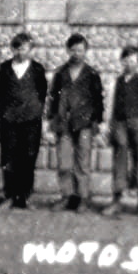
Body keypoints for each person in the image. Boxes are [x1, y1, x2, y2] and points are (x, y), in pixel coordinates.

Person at [47, 33, 105, 212]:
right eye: (73, 50)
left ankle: (83, 198)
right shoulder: (60, 73)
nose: (76, 53)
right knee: (64, 163)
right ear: (67, 51)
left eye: (80, 50)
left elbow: (98, 100)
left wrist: (99, 122)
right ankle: (66, 196)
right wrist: (50, 121)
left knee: (83, 163)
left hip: (85, 124)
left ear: (85, 51)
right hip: (64, 123)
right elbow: (53, 99)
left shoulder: (92, 74)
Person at [0, 31, 49, 210]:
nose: (21, 52)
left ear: (31, 49)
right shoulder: (4, 68)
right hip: (9, 120)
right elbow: (0, 91)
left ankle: (25, 197)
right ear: (12, 49)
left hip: (31, 120)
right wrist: (5, 112)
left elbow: (42, 92)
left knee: (28, 157)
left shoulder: (37, 69)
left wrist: (34, 110)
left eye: (25, 49)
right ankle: (10, 196)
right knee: (9, 157)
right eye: (17, 49)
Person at [105, 45, 138, 216]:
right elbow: (110, 105)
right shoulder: (116, 81)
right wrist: (108, 125)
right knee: (119, 158)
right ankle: (117, 200)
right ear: (122, 61)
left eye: (133, 60)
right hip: (119, 123)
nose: (129, 63)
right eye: (126, 60)